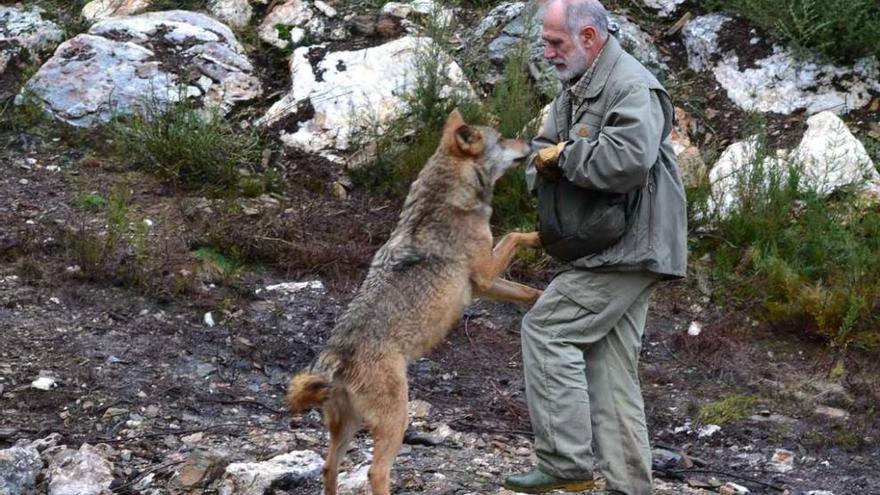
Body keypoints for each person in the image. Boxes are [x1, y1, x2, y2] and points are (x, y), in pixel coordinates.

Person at [502, 0, 688, 494]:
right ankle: (631, 487)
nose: (547, 52)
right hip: (614, 244)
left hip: (629, 246)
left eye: (555, 42)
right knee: (609, 367)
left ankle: (564, 463)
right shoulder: (574, 90)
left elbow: (627, 161)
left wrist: (564, 158)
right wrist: (543, 163)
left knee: (548, 329)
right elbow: (538, 152)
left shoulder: (631, 85)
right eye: (545, 42)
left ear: (588, 38)